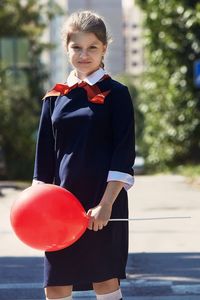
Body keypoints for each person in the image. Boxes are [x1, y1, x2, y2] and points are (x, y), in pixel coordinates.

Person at [33, 10, 135, 300]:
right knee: (55, 284)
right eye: (76, 47)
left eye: (92, 47)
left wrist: (105, 204)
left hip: (104, 201)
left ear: (104, 48)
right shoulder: (53, 98)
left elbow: (123, 153)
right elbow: (43, 162)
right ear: (67, 49)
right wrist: (37, 208)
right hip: (59, 206)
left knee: (104, 281)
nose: (84, 54)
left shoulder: (118, 94)